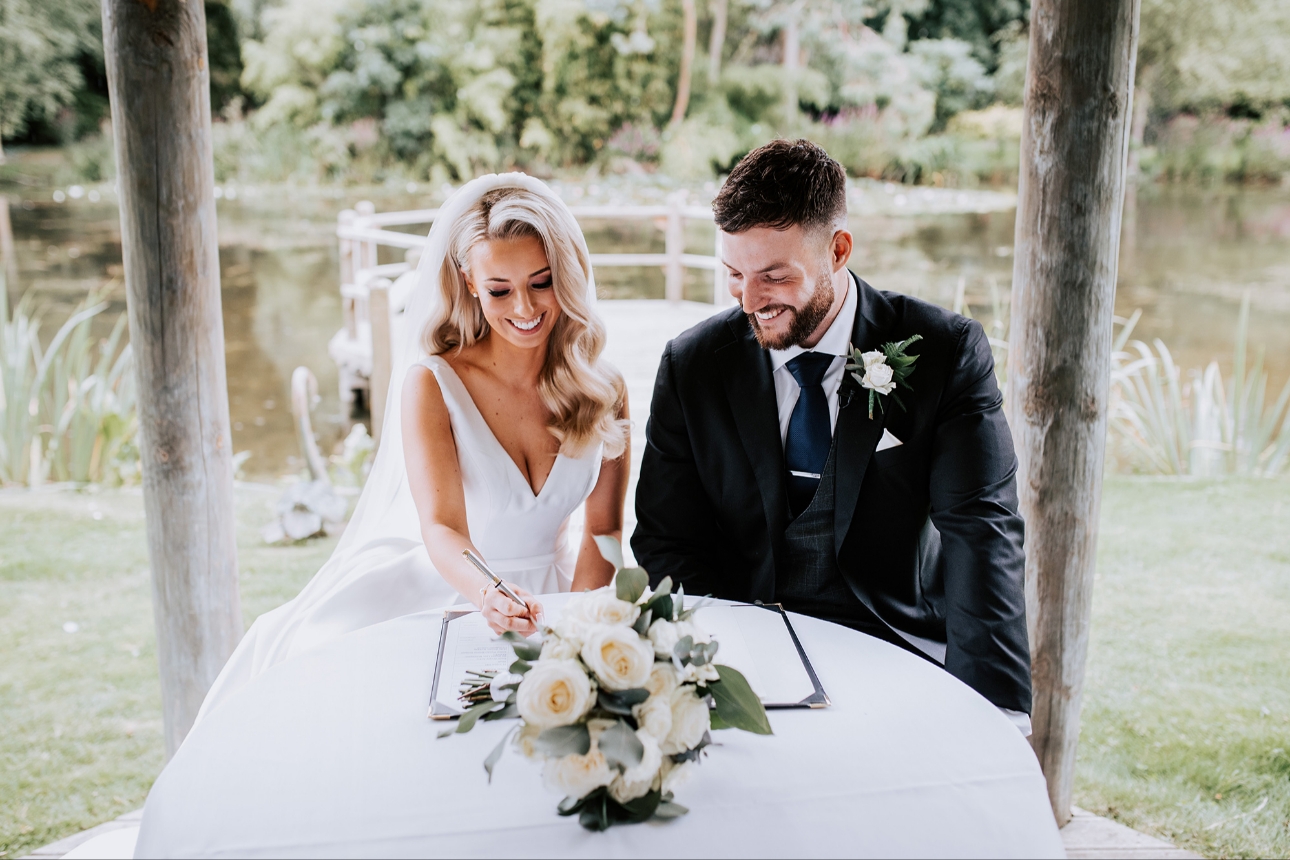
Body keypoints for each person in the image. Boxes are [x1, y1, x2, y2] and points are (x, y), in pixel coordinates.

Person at [631, 139, 1032, 730]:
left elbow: (982, 532)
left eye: (773, 276)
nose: (748, 301)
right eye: (734, 274)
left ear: (838, 250)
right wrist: (729, 659)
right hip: (748, 652)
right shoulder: (692, 364)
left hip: (898, 648)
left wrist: (996, 713)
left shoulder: (944, 350)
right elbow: (667, 541)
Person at [197, 174, 629, 720]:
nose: (524, 307)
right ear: (470, 283)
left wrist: (574, 623)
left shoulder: (603, 387)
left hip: (567, 593)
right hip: (460, 588)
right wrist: (489, 594)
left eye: (541, 282)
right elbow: (442, 527)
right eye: (499, 288)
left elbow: (604, 529)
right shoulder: (433, 385)